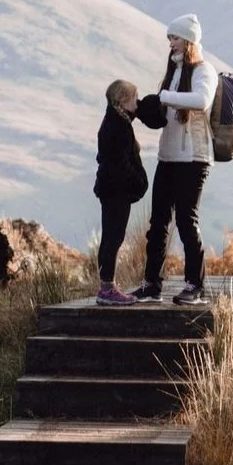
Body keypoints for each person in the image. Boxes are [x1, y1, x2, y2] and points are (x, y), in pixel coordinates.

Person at [135, 14, 218, 306]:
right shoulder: (173, 71)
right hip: (167, 157)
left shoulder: (203, 70)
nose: (171, 43)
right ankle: (151, 285)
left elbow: (202, 101)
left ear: (190, 41)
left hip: (194, 159)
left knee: (186, 220)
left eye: (175, 38)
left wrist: (165, 96)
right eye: (170, 38)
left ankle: (195, 285)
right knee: (158, 223)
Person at [91, 79, 149, 307]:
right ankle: (107, 288)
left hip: (111, 189)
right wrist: (136, 181)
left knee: (110, 235)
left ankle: (106, 285)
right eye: (135, 98)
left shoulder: (115, 121)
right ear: (124, 100)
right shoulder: (117, 126)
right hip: (117, 190)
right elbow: (119, 163)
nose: (138, 102)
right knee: (114, 236)